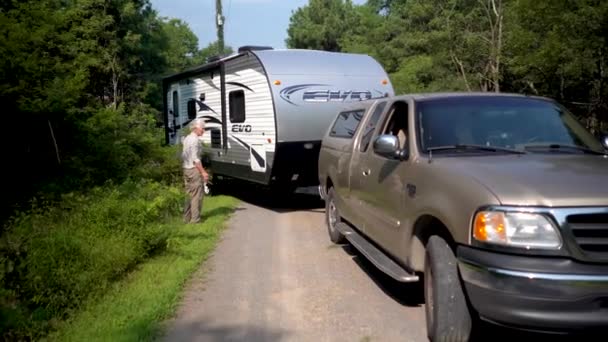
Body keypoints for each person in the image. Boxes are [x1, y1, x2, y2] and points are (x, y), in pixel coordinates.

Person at [181, 118, 209, 224]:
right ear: (197, 128)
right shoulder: (195, 140)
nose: (203, 131)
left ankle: (186, 218)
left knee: (188, 194)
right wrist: (203, 172)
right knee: (196, 195)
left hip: (186, 169)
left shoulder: (187, 138)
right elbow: (195, 159)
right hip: (193, 170)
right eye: (203, 128)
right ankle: (195, 220)